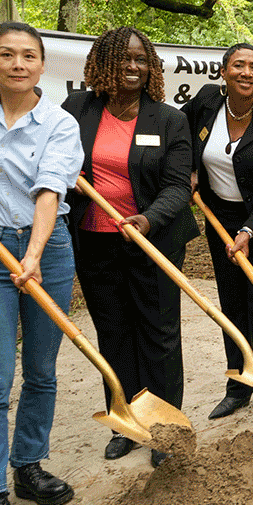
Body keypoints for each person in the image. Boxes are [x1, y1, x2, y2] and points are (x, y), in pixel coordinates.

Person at [0, 22, 83, 505]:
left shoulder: (59, 123)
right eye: (6, 55)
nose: (18, 63)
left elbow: (49, 190)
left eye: (29, 55)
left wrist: (33, 255)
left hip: (49, 249)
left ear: (41, 64)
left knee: (41, 370)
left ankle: (28, 465)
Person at [62, 27, 197, 469]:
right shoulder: (78, 109)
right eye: (124, 59)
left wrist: (148, 218)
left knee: (159, 334)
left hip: (153, 240)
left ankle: (165, 426)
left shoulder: (168, 120)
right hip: (95, 240)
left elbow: (178, 187)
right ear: (104, 63)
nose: (134, 67)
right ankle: (127, 420)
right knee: (114, 333)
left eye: (141, 60)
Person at [182, 43, 253, 435]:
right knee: (232, 301)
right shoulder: (204, 103)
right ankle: (239, 385)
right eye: (238, 65)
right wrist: (189, 170)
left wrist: (249, 231)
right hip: (222, 216)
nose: (246, 72)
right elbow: (179, 138)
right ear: (224, 71)